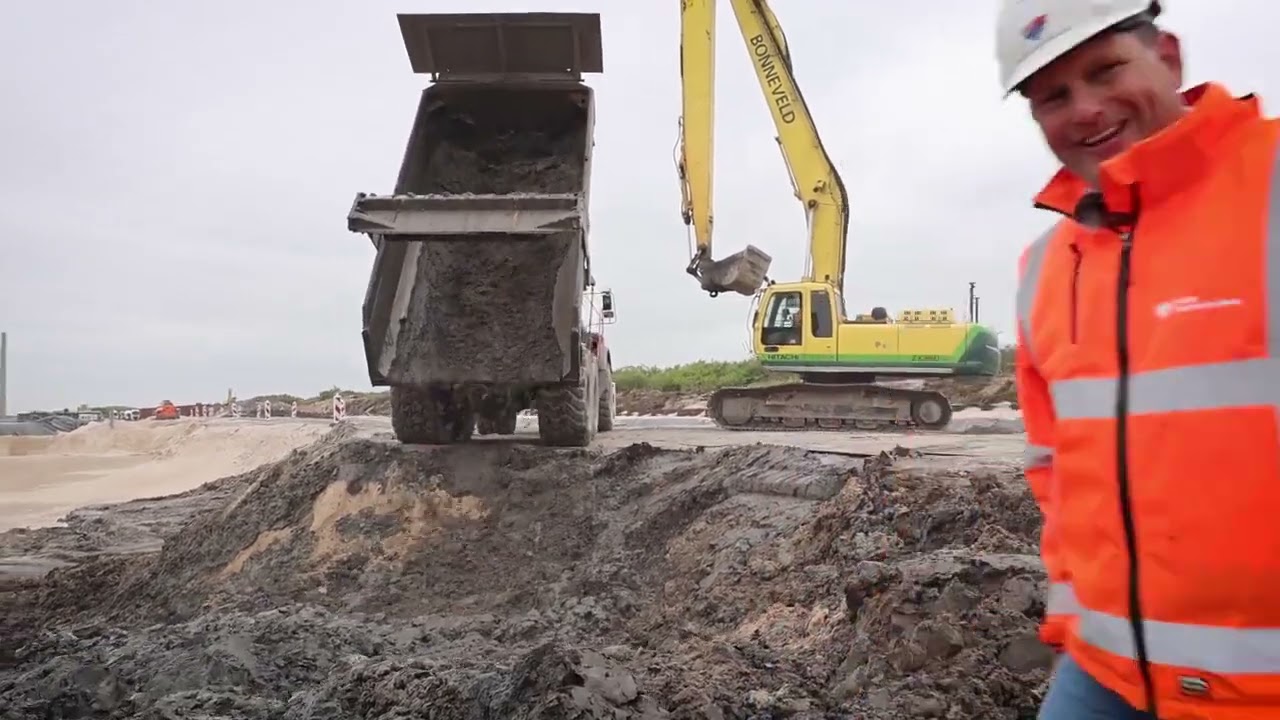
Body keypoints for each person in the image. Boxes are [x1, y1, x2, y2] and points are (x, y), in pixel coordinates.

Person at [998, 1, 1280, 718]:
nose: (1085, 109)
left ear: (1170, 58)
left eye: (1106, 70)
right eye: (1054, 96)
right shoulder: (1045, 268)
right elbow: (1056, 469)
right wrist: (1070, 621)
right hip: (1104, 673)